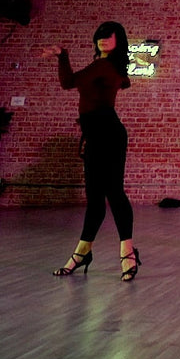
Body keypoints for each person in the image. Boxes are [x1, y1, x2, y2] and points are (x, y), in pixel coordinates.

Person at [44, 21, 140, 281]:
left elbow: (68, 82)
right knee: (96, 198)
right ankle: (83, 252)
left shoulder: (103, 66)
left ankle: (127, 253)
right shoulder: (109, 67)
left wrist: (62, 55)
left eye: (108, 36)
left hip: (108, 135)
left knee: (113, 193)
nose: (102, 39)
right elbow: (118, 84)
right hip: (98, 136)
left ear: (119, 40)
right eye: (99, 35)